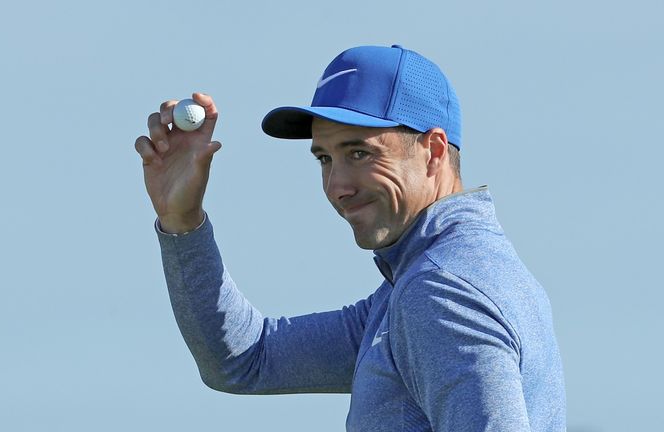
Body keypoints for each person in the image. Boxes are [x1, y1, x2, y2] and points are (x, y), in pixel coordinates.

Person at [134, 44, 566, 431]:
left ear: (433, 151)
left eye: (360, 153)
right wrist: (182, 219)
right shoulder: (420, 284)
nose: (338, 185)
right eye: (325, 158)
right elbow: (246, 360)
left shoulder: (440, 292)